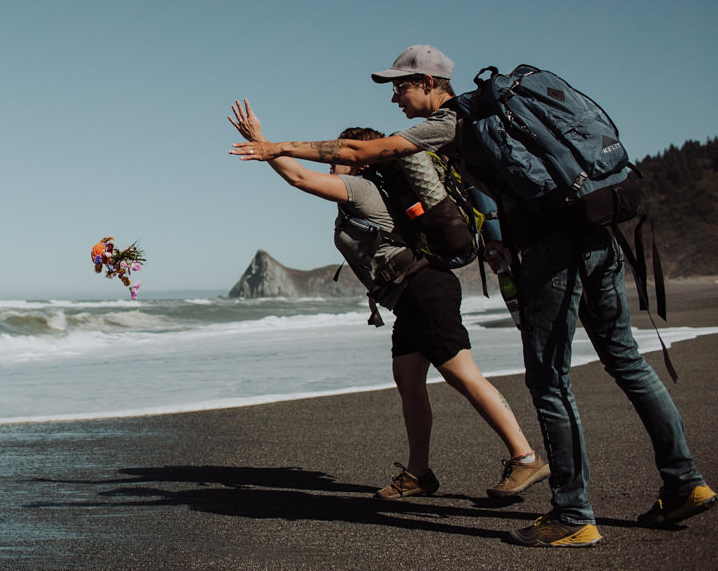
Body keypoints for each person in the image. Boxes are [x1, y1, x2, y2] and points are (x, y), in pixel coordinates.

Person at [229, 46, 715, 548]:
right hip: (596, 231)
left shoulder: (454, 119)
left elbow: (359, 154)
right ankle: (684, 483)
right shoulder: (496, 121)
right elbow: (490, 190)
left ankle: (572, 513)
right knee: (627, 361)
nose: (395, 97)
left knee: (549, 380)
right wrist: (498, 239)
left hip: (555, 249)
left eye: (400, 85)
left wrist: (271, 146)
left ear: (429, 82)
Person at [227, 99, 549, 501]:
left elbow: (298, 177)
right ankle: (419, 474)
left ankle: (525, 456)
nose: (331, 162)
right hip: (409, 295)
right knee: (408, 379)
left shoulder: (360, 189)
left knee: (462, 374)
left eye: (338, 155)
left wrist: (264, 142)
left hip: (424, 289)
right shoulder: (358, 194)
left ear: (359, 161)